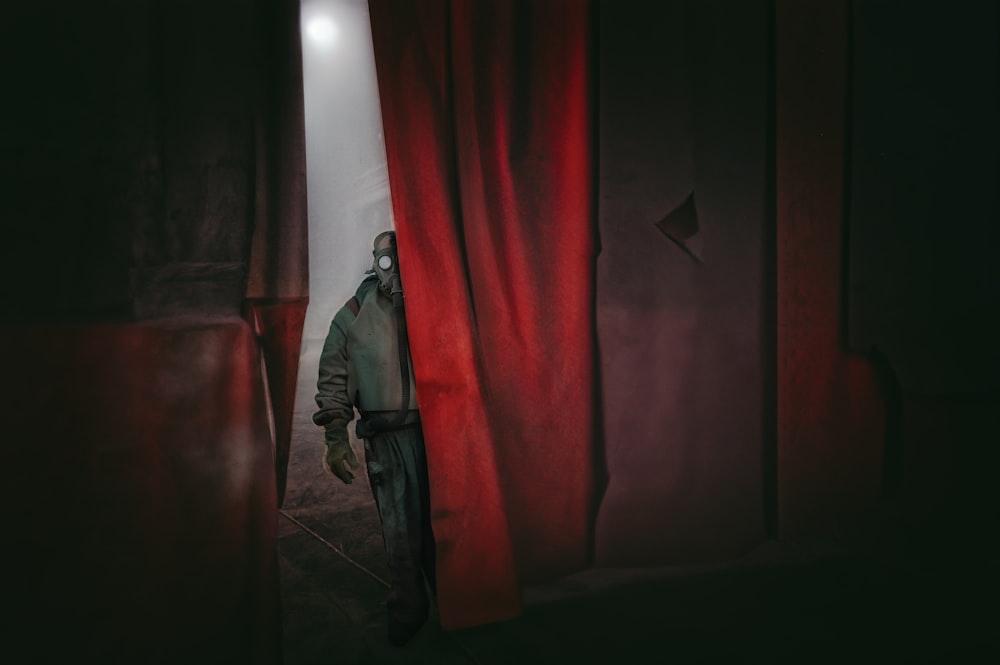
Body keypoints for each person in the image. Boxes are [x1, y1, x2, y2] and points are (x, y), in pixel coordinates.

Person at [313, 230, 436, 647]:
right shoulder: (354, 312)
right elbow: (333, 374)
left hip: (439, 436)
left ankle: (457, 604)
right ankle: (409, 608)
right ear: (376, 262)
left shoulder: (434, 302)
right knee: (400, 531)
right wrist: (336, 437)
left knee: (446, 526)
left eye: (398, 259)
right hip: (386, 440)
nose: (393, 270)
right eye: (386, 261)